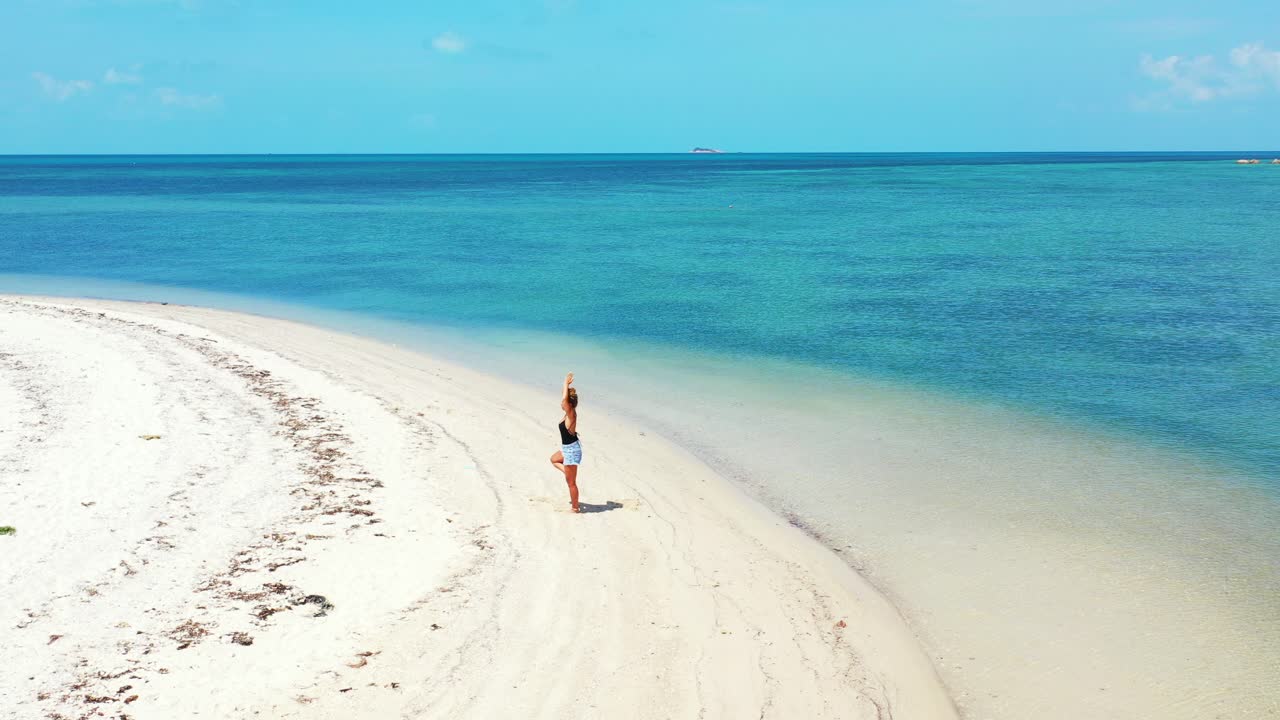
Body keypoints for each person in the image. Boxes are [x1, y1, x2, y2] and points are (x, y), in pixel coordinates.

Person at [549, 372, 582, 513]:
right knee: (554, 459)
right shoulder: (568, 413)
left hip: (572, 450)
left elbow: (564, 399)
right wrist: (567, 387)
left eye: (564, 401)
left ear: (569, 403)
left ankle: (575, 508)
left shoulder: (571, 413)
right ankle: (568, 472)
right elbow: (564, 399)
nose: (561, 403)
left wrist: (565, 383)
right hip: (567, 448)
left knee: (571, 483)